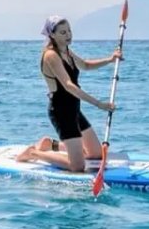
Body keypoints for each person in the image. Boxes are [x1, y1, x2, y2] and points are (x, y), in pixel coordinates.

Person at [15, 15, 120, 172]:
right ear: (52, 35)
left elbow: (85, 65)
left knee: (96, 154)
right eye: (63, 32)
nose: (68, 35)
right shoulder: (51, 55)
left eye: (69, 31)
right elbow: (69, 86)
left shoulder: (67, 52)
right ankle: (33, 153)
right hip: (61, 111)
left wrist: (110, 59)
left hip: (74, 108)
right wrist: (99, 104)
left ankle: (51, 145)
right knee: (77, 166)